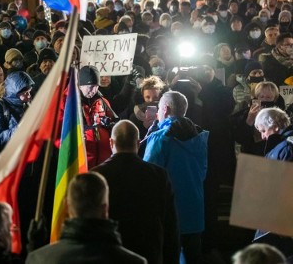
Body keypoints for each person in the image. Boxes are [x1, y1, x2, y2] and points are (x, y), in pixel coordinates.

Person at [93, 120, 179, 264]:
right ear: (138, 143)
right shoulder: (159, 175)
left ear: (111, 143)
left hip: (109, 255)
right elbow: (170, 225)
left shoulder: (97, 176)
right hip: (148, 253)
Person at [143, 91, 209, 264]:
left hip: (169, 213)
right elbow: (202, 173)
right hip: (194, 210)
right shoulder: (199, 136)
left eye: (158, 109)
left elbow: (149, 175)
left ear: (165, 109)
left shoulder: (161, 137)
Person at [26, 172, 146, 264]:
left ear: (67, 207)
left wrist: (34, 249)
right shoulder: (133, 262)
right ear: (105, 209)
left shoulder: (38, 259)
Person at [0, 71, 34, 161]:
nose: (29, 96)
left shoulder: (26, 105)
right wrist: (18, 129)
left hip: (26, 159)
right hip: (7, 162)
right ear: (14, 93)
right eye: (25, 93)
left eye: (29, 92)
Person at [78, 66, 117, 168]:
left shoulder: (103, 101)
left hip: (104, 158)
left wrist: (109, 124)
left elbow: (115, 122)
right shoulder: (73, 104)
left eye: (96, 86)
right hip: (83, 158)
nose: (93, 90)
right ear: (80, 86)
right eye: (90, 86)